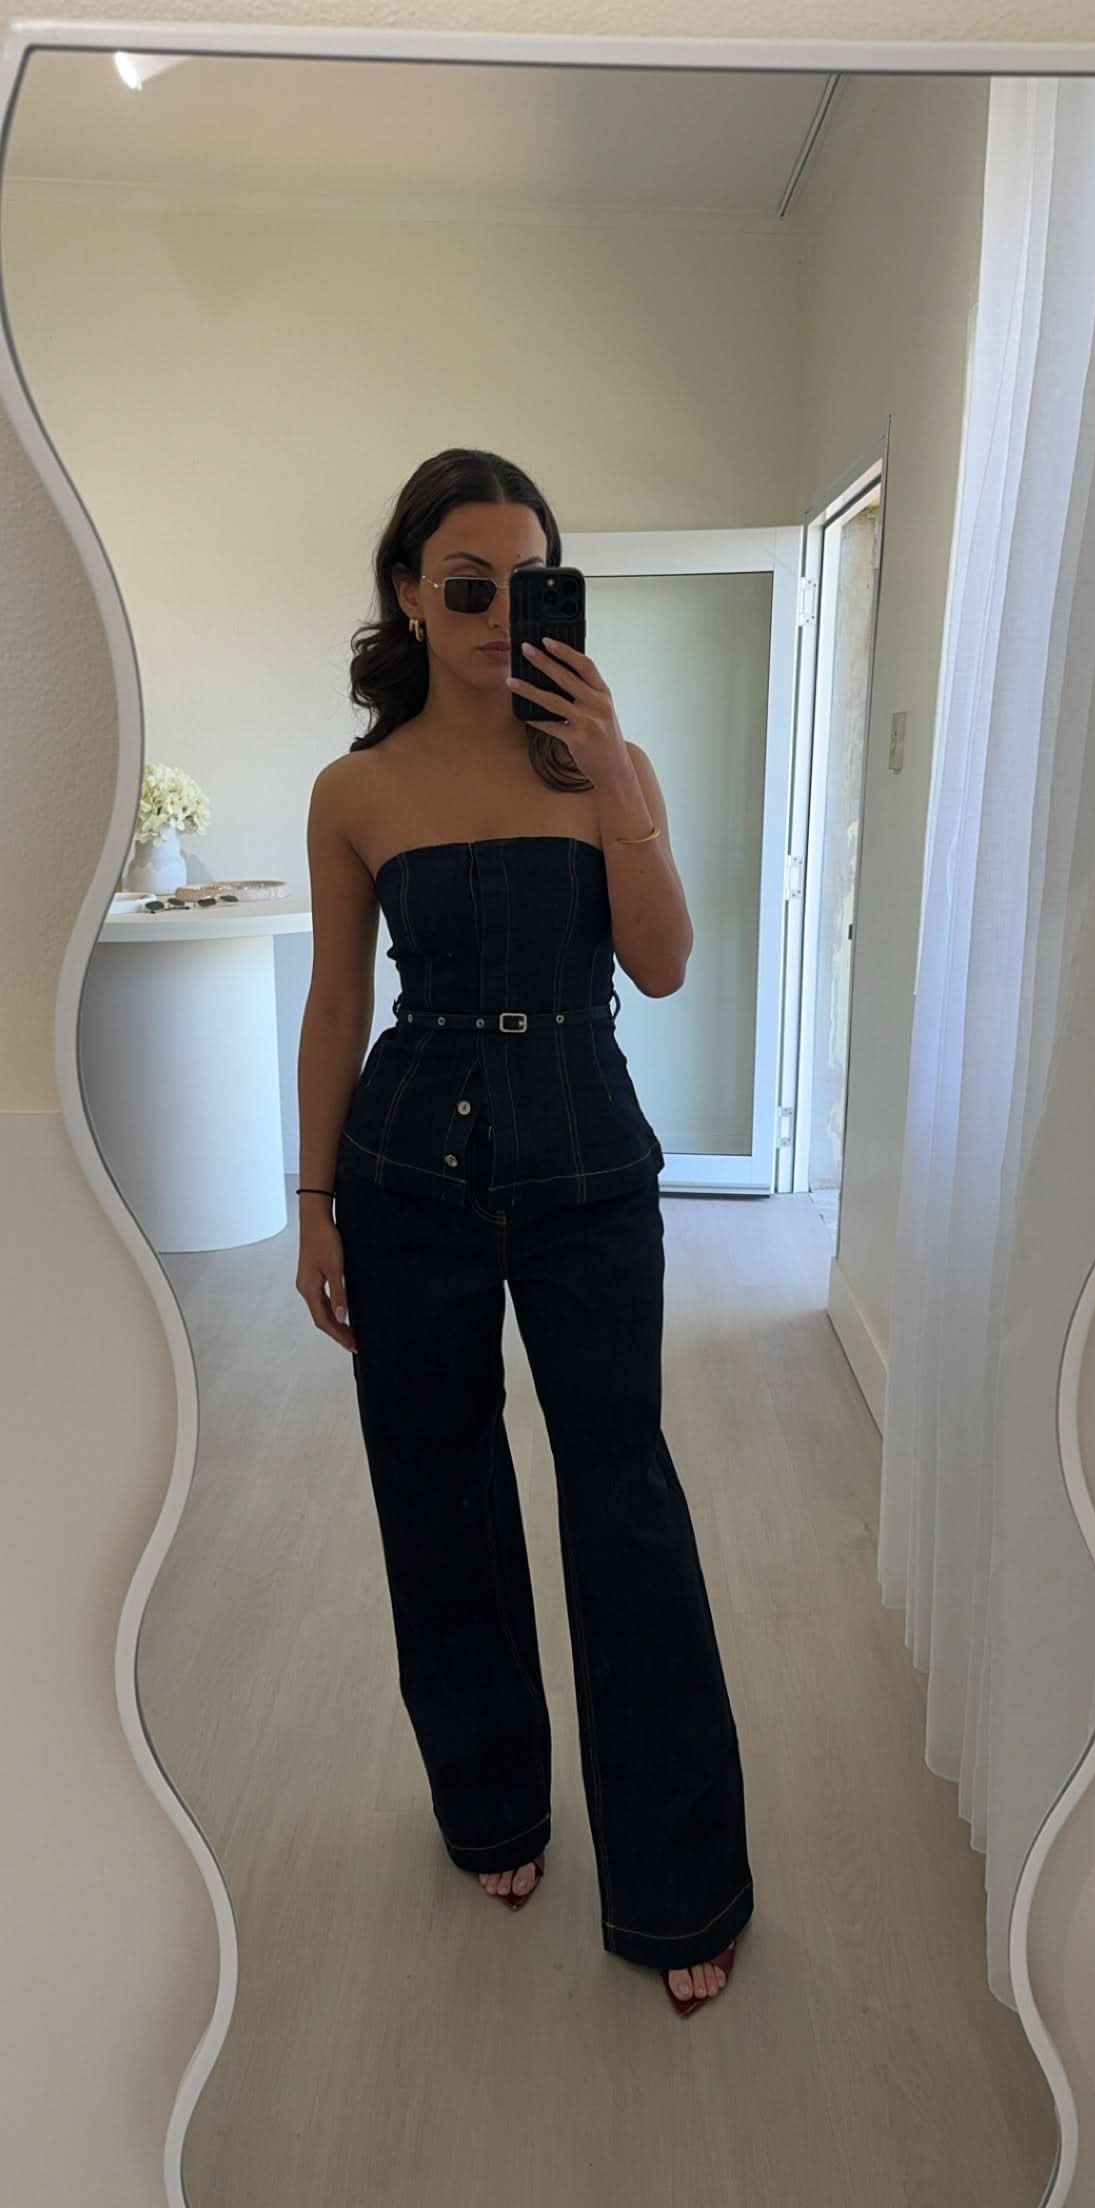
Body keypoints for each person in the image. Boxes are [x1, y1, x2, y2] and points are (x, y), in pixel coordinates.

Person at [295, 448, 752, 2018]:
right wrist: (312, 1206)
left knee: (622, 1499)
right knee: (436, 1488)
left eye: (529, 582)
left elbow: (664, 965)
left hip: (588, 1170)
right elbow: (337, 1007)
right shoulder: (355, 790)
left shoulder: (606, 765)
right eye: (467, 584)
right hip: (404, 1171)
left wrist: (615, 777)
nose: (499, 613)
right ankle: (490, 1804)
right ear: (409, 594)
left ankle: (679, 1878)